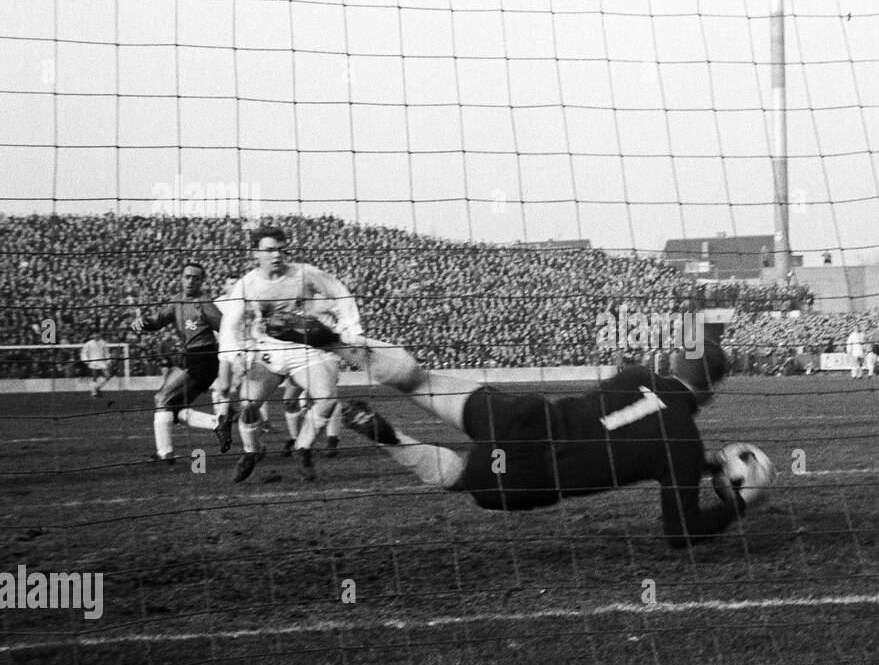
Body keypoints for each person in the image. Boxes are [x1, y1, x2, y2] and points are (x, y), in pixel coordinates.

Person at [340, 342, 751, 549]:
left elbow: (627, 431)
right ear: (713, 391)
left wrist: (707, 463)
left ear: (673, 363)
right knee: (457, 475)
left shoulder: (635, 373)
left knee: (421, 381)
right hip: (532, 470)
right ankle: (390, 437)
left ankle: (337, 345)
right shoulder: (682, 441)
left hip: (524, 416)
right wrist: (738, 505)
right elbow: (680, 533)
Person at [218, 225, 428, 482]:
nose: (277, 255)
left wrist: (352, 326)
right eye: (270, 250)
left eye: (281, 249)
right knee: (249, 405)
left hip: (304, 349)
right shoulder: (247, 285)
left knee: (327, 400)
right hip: (269, 350)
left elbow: (338, 289)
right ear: (255, 253)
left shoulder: (303, 273)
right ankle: (252, 451)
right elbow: (230, 323)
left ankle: (303, 448)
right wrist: (234, 355)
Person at [130, 262, 230, 464]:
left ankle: (164, 453)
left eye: (195, 277)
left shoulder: (204, 303)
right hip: (191, 357)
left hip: (203, 358)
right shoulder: (177, 302)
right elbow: (158, 321)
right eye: (187, 276)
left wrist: (230, 356)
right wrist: (143, 323)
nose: (190, 280)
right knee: (172, 409)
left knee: (162, 398)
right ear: (181, 278)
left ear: (202, 281)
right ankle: (217, 423)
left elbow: (227, 328)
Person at [79, 331, 113, 397]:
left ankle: (96, 388)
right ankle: (94, 393)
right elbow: (84, 353)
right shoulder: (88, 343)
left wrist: (108, 362)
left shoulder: (103, 343)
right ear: (93, 335)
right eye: (95, 334)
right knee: (94, 377)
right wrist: (86, 361)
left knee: (108, 376)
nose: (96, 335)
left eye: (97, 334)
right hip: (93, 362)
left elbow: (106, 353)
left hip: (101, 362)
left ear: (100, 334)